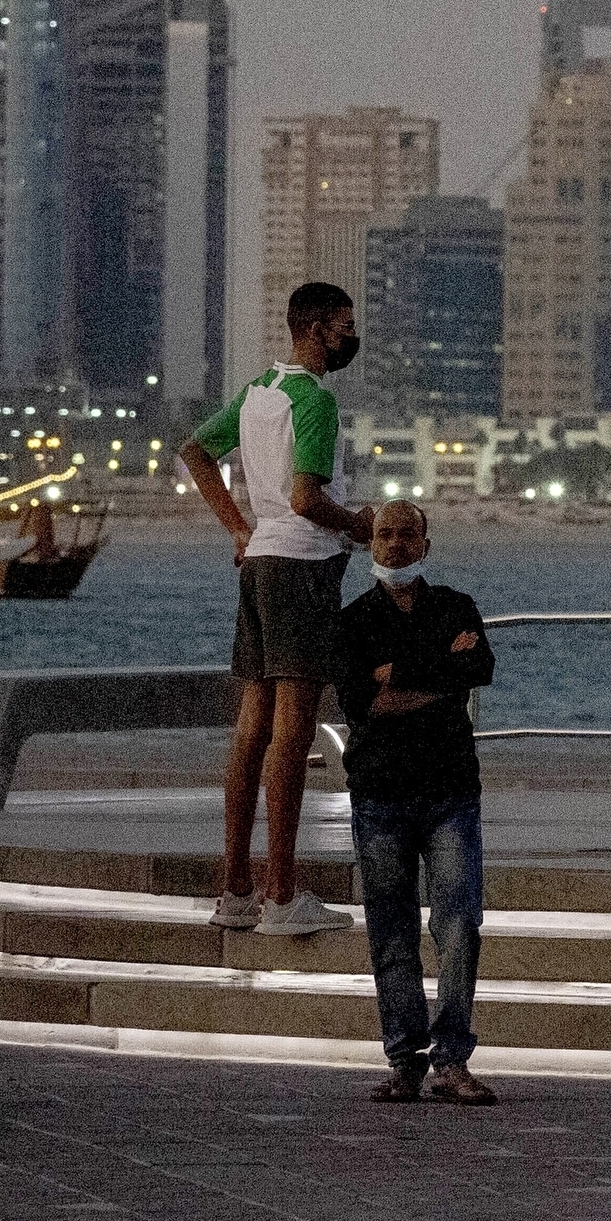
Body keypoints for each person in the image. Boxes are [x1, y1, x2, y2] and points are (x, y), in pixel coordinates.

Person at [180, 278, 374, 937]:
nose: (351, 336)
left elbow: (196, 451)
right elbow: (304, 500)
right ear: (320, 328)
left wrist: (238, 528)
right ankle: (282, 892)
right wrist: (361, 525)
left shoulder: (260, 389)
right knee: (294, 728)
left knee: (252, 726)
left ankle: (235, 887)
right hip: (304, 565)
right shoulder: (316, 398)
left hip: (260, 561)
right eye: (345, 325)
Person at [332, 500, 497, 1103]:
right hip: (380, 793)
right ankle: (405, 1059)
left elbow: (479, 667)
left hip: (451, 790)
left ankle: (452, 1057)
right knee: (391, 932)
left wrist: (395, 674)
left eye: (408, 534)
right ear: (370, 544)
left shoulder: (456, 605)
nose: (396, 544)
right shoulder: (352, 621)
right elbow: (361, 706)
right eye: (385, 534)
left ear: (426, 542)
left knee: (458, 926)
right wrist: (438, 673)